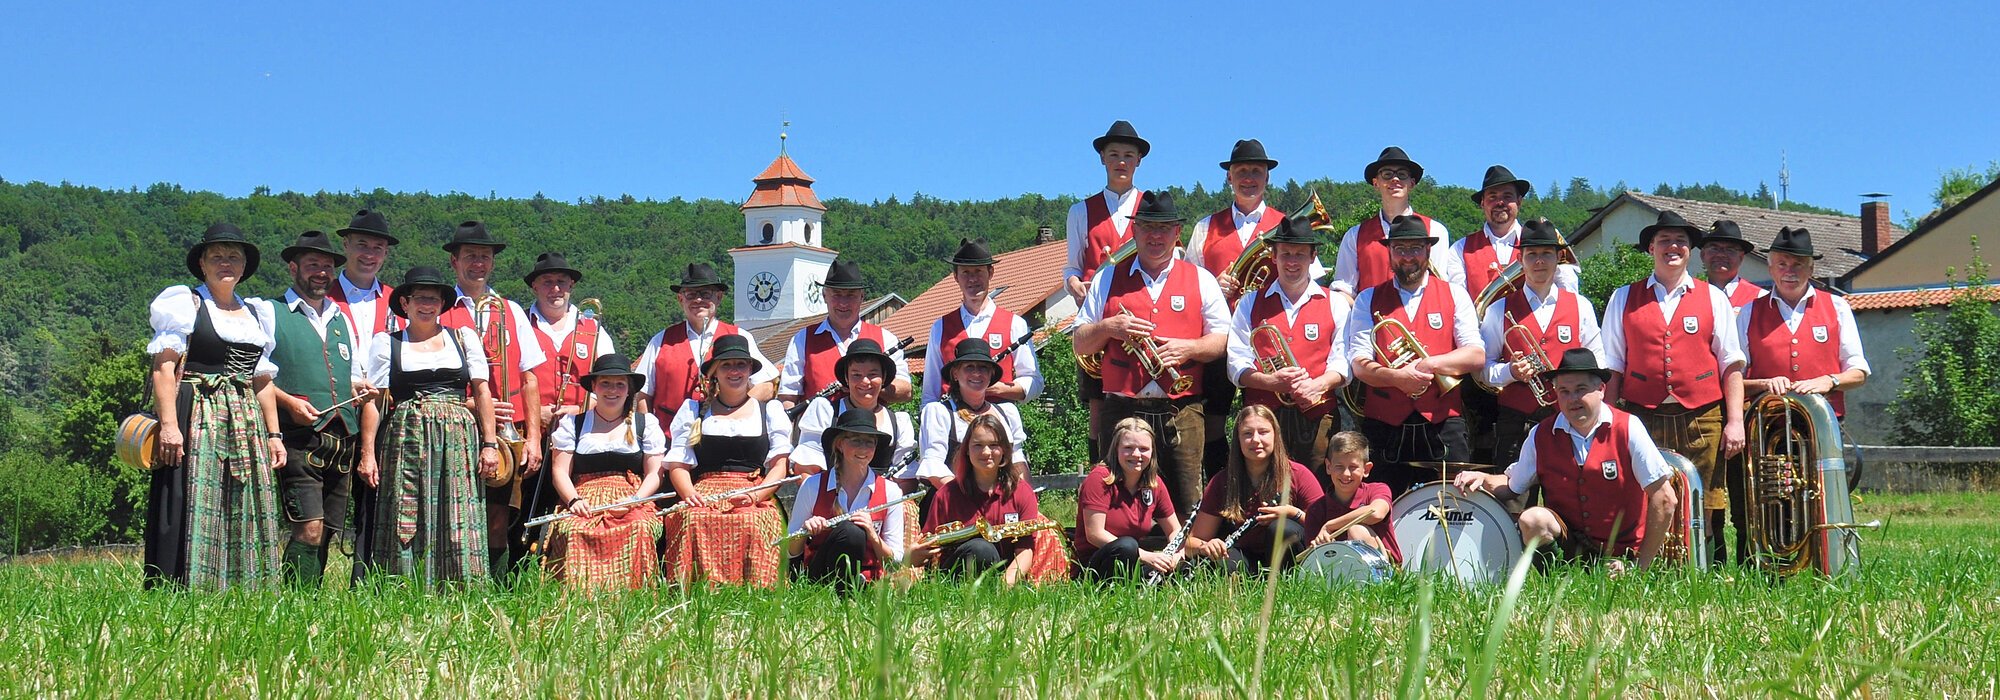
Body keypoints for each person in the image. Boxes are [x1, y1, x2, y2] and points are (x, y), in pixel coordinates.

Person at [143, 223, 287, 589]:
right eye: (217, 256)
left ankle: (243, 584)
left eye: (234, 257)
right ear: (202, 265)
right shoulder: (185, 303)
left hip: (245, 418)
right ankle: (183, 585)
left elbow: (262, 380)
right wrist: (169, 426)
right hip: (197, 412)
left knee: (243, 496)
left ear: (244, 267)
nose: (226, 263)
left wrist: (274, 435)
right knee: (193, 494)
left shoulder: (256, 313)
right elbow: (163, 368)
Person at [1072, 191, 1231, 518]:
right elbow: (1080, 343)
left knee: (1187, 504)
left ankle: (1184, 553)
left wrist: (1189, 348)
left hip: (1181, 410)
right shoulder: (1107, 277)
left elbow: (1223, 340)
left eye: (1163, 228)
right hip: (1121, 408)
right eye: (1147, 227)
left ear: (1177, 233)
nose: (1155, 236)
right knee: (1114, 505)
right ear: (1134, 231)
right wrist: (1110, 327)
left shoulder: (1201, 279)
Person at [1601, 210, 1746, 565]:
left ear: (1690, 250)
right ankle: (1655, 568)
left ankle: (1710, 570)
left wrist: (1735, 421)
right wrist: (1610, 421)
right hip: (1643, 415)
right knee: (1650, 497)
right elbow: (1612, 366)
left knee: (1708, 502)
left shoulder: (1714, 298)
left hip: (1703, 415)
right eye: (1664, 240)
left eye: (1681, 241)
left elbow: (1731, 364)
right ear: (1651, 248)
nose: (1673, 247)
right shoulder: (1623, 297)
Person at [1453, 349, 1678, 575]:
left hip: (1623, 551)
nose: (1572, 399)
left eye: (1581, 389)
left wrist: (1639, 566)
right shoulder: (1540, 434)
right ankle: (1559, 579)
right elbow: (1513, 486)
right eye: (1564, 391)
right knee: (1532, 519)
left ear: (1601, 389)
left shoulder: (1629, 428)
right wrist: (1483, 479)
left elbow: (1665, 498)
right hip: (1572, 546)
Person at [356, 266, 499, 584]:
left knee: (457, 511)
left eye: (433, 299)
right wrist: (367, 453)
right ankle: (404, 584)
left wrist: (489, 444)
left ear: (442, 304)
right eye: (420, 298)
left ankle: (460, 584)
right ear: (405, 303)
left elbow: (482, 391)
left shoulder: (463, 338)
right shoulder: (386, 343)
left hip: (458, 437)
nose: (427, 305)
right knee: (407, 508)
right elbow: (374, 402)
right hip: (407, 436)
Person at [1735, 227, 1869, 561]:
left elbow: (1860, 372)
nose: (1789, 271)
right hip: (1770, 429)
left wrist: (1830, 381)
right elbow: (1734, 379)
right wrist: (1764, 383)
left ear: (1811, 268)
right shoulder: (1748, 312)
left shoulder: (1837, 307)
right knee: (1775, 499)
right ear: (1770, 268)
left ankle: (1831, 563)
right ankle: (1774, 565)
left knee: (1822, 497)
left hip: (1822, 427)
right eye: (1782, 264)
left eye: (1797, 264)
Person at [435, 220, 547, 579]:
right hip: (456, 424)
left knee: (499, 515)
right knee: (454, 512)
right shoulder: (438, 309)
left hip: (506, 431)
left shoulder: (511, 310)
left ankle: (496, 589)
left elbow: (530, 378)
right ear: (454, 261)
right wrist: (472, 405)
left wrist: (533, 438)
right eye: (470, 256)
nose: (478, 263)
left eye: (484, 256)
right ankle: (455, 584)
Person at [1345, 216, 1485, 496]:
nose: (1408, 256)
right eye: (1400, 248)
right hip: (1385, 424)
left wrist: (1430, 363)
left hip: (1443, 422)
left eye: (1415, 248)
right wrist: (1397, 377)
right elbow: (1359, 363)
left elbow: (1476, 354)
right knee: (1381, 505)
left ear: (1428, 250)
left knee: (1452, 503)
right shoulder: (1367, 298)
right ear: (1389, 252)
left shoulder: (1455, 294)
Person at [269, 230, 373, 587]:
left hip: (342, 438)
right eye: (313, 264)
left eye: (327, 266)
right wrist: (289, 403)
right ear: (293, 268)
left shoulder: (340, 318)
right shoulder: (270, 312)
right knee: (308, 527)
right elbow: (257, 377)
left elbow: (350, 374)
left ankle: (310, 599)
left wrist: (358, 388)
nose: (322, 273)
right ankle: (294, 600)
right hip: (298, 435)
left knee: (327, 528)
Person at [661, 334, 794, 587]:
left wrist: (756, 496)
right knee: (692, 518)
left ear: (750, 370)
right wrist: (690, 495)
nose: (734, 371)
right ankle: (694, 587)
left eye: (740, 364)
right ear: (714, 373)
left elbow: (780, 465)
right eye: (726, 365)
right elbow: (679, 464)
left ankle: (756, 589)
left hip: (754, 490)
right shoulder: (693, 410)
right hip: (703, 491)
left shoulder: (770, 411)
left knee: (752, 519)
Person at [1479, 218, 1603, 471]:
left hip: (1568, 419)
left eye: (1546, 254)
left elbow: (1599, 362)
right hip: (1515, 422)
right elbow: (1482, 369)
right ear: (1520, 259)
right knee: (1510, 491)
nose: (1539, 261)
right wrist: (1510, 372)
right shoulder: (1498, 309)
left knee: (1567, 492)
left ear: (1558, 259)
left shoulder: (1581, 306)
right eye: (1532, 254)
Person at [1228, 215, 1350, 464]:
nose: (1292, 261)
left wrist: (1317, 385)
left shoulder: (1336, 302)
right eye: (1285, 254)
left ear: (1313, 257)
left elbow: (1343, 361)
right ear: (1274, 256)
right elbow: (1236, 363)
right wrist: (1270, 382)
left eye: (1300, 254)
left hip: (1318, 417)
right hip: (1262, 421)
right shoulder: (1249, 302)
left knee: (1317, 486)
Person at [1064, 120, 1150, 463]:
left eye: (1128, 155)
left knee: (1142, 396)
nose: (1121, 161)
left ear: (1138, 160)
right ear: (1102, 159)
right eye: (1114, 154)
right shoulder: (1080, 211)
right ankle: (1098, 473)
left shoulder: (1150, 206)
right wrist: (1073, 284)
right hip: (1097, 318)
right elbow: (1072, 266)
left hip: (1140, 318)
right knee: (1098, 407)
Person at [542, 353, 666, 590]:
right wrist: (573, 500)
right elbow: (559, 472)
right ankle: (578, 595)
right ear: (594, 387)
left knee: (639, 526)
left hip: (632, 498)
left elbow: (654, 474)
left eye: (620, 384)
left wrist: (634, 500)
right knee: (574, 529)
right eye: (605, 383)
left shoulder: (645, 424)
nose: (612, 390)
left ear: (629, 390)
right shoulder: (573, 424)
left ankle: (633, 595)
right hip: (584, 498)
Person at [329, 208, 396, 583]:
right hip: (335, 409)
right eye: (362, 245)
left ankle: (366, 582)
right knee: (328, 502)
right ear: (346, 245)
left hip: (384, 411)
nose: (369, 254)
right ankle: (306, 590)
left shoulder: (398, 301)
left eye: (377, 247)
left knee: (376, 500)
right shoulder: (323, 296)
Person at [907, 414, 1053, 585]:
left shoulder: (1022, 492)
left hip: (1006, 579)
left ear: (1004, 450)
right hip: (954, 580)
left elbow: (1025, 549)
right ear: (967, 450)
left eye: (994, 445)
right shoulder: (946, 494)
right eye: (978, 445)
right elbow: (926, 551)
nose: (986, 452)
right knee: (981, 549)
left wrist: (1005, 586)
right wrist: (911, 556)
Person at [635, 262, 779, 432]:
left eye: (705, 294)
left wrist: (732, 410)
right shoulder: (660, 340)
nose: (698, 300)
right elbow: (644, 396)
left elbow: (768, 386)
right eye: (691, 294)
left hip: (722, 436)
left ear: (719, 297)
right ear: (680, 299)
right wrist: (647, 435)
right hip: (670, 439)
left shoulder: (740, 337)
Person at [1184, 406, 1324, 574]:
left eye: (1263, 432)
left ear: (1275, 435)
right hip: (1246, 556)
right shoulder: (1222, 481)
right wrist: (1206, 546)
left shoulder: (1299, 474)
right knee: (1219, 562)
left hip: (1292, 559)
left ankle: (1284, 580)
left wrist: (1293, 513)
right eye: (1247, 434)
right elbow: (1191, 543)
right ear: (1238, 439)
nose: (1256, 440)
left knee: (1282, 528)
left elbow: (1326, 529)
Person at [786, 409, 908, 590]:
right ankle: (841, 591)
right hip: (820, 578)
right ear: (840, 445)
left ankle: (854, 588)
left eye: (869, 442)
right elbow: (790, 553)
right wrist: (805, 530)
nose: (863, 449)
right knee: (851, 533)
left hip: (869, 583)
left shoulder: (891, 491)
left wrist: (872, 535)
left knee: (854, 532)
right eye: (856, 440)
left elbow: (894, 564)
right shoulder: (813, 485)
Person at [776, 257, 911, 408]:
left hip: (870, 422)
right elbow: (788, 397)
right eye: (836, 294)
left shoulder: (886, 338)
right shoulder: (802, 339)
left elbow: (905, 391)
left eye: (851, 295)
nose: (843, 303)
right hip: (819, 423)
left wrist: (865, 385)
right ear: (824, 296)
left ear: (862, 297)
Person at [1330, 147, 1462, 300]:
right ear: (1375, 183)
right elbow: (1344, 291)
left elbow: (1439, 286)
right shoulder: (1354, 236)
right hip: (1370, 315)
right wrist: (1364, 311)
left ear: (1412, 183)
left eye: (1402, 174)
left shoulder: (1435, 231)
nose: (1395, 179)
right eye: (1387, 174)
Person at [919, 238, 1041, 405]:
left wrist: (999, 389)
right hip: (951, 417)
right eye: (965, 272)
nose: (972, 279)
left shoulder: (1015, 324)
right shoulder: (940, 327)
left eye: (978, 271)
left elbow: (1034, 381)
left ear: (990, 273)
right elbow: (930, 392)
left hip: (998, 416)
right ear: (955, 277)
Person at [909, 339, 1030, 490]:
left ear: (991, 374)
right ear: (955, 373)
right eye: (969, 367)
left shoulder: (1007, 412)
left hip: (1000, 499)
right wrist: (967, 498)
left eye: (983, 367)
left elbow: (1017, 460)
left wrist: (1024, 496)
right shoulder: (939, 412)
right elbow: (934, 464)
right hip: (952, 497)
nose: (977, 373)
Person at [1073, 418, 1183, 582]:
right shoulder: (1099, 478)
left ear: (1152, 452)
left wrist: (1176, 554)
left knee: (1183, 570)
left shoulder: (1155, 484)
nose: (1136, 454)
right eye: (1128, 448)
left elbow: (1175, 530)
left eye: (1144, 449)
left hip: (1135, 562)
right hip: (1094, 566)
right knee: (1127, 546)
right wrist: (1145, 555)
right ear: (1116, 449)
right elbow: (1095, 534)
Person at [1445, 165, 1580, 298]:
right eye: (1492, 197)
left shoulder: (1544, 241)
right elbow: (1457, 300)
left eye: (1507, 196)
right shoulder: (1460, 249)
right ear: (1482, 203)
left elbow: (1568, 291)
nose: (1500, 202)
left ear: (1519, 202)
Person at [791, 338, 916, 475]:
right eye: (856, 375)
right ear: (846, 378)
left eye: (872, 374)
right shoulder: (825, 411)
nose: (865, 381)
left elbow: (905, 480)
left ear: (884, 378)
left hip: (884, 490)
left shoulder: (898, 422)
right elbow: (806, 471)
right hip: (831, 489)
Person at [523, 252, 616, 432]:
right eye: (547, 282)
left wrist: (582, 408)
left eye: (561, 281)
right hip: (529, 431)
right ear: (535, 287)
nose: (556, 288)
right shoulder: (520, 323)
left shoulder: (594, 327)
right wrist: (534, 412)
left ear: (571, 285)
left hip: (583, 429)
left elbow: (612, 379)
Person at [1302, 432, 1400, 565]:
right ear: (1328, 467)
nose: (1346, 474)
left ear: (1366, 469)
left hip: (1386, 568)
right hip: (1339, 569)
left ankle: (1377, 575)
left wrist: (1330, 526)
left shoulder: (1377, 489)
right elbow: (1311, 560)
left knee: (1356, 530)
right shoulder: (1316, 509)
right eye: (1339, 467)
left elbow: (1375, 513)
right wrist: (1322, 547)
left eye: (1353, 467)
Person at [1703, 220, 1765, 307]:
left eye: (1730, 250)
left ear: (1741, 257)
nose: (1721, 254)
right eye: (1714, 248)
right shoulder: (1690, 295)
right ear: (1703, 254)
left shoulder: (1760, 298)